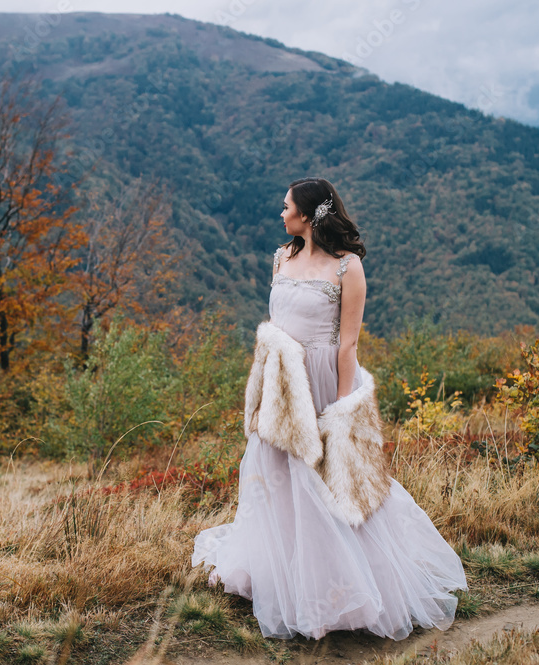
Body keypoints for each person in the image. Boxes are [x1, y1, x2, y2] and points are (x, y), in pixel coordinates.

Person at [192, 177, 466, 640]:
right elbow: (277, 326)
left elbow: (348, 343)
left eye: (286, 207)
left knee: (328, 481)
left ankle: (340, 587)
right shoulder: (283, 257)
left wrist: (340, 410)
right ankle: (284, 573)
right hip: (282, 382)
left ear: (309, 214)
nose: (280, 214)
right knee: (276, 479)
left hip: (324, 379)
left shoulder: (347, 267)